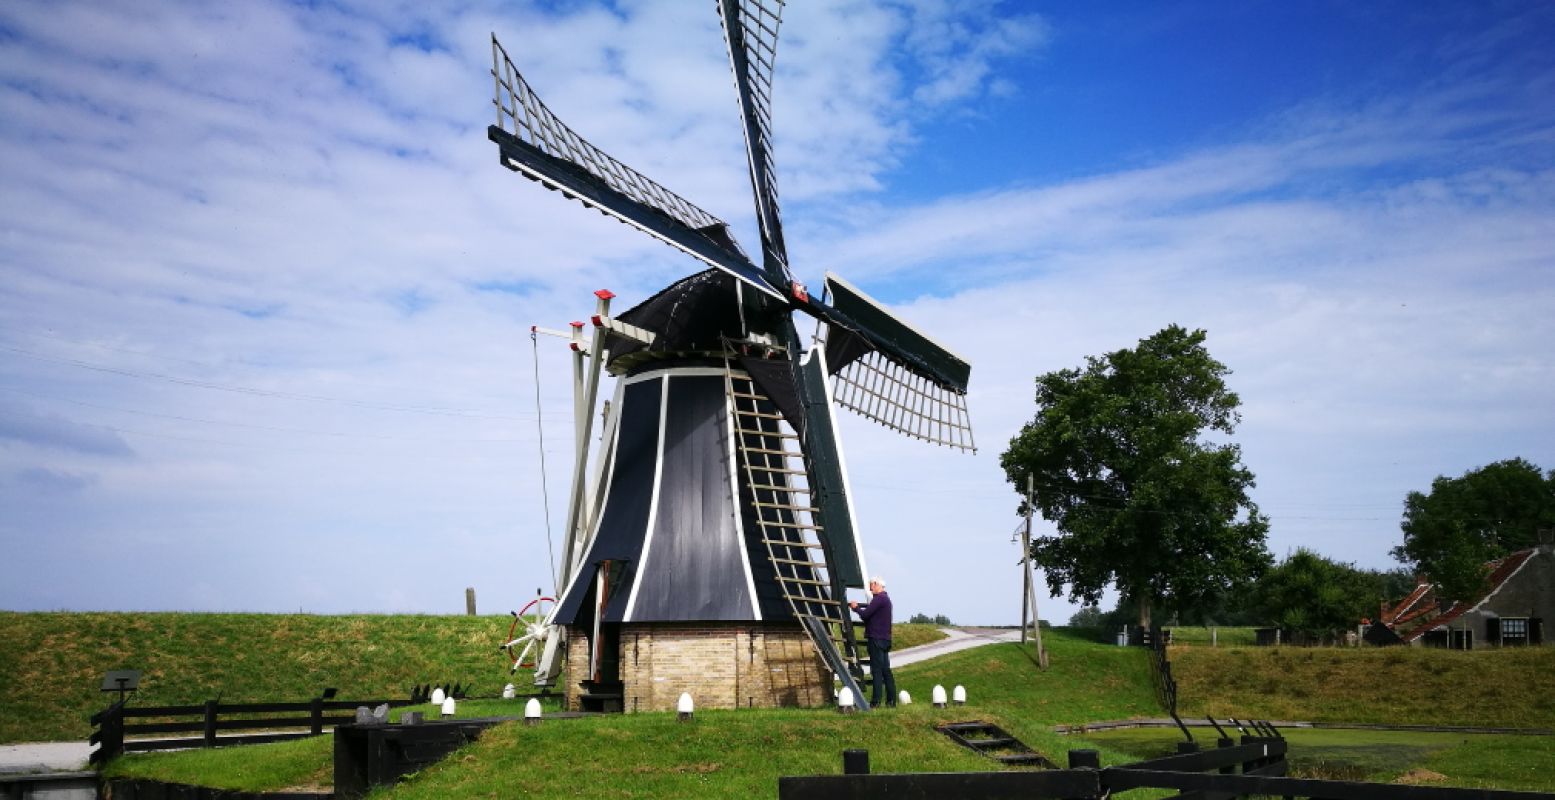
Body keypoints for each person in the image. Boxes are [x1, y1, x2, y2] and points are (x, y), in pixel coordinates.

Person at [848, 576, 896, 708]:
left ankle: (875, 701)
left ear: (876, 585)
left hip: (876, 638)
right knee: (886, 670)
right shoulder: (886, 600)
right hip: (885, 639)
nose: (870, 588)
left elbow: (865, 615)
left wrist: (855, 608)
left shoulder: (879, 599)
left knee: (876, 671)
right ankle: (891, 701)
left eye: (871, 585)